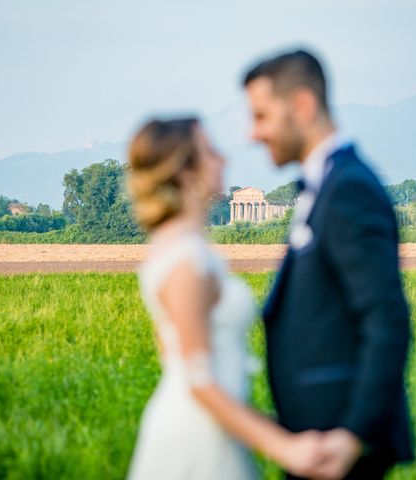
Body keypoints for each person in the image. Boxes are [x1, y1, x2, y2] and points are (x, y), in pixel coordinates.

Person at [125, 117, 331, 479]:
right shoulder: (186, 259)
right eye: (210, 150)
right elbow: (198, 378)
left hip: (211, 424)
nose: (223, 158)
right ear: (187, 174)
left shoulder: (181, 247)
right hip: (196, 434)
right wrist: (284, 447)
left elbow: (171, 348)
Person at [242, 50, 415, 479]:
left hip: (337, 446)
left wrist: (353, 433)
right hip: (313, 439)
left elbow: (386, 318)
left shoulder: (349, 188)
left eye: (261, 116)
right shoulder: (326, 184)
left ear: (302, 105)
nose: (253, 134)